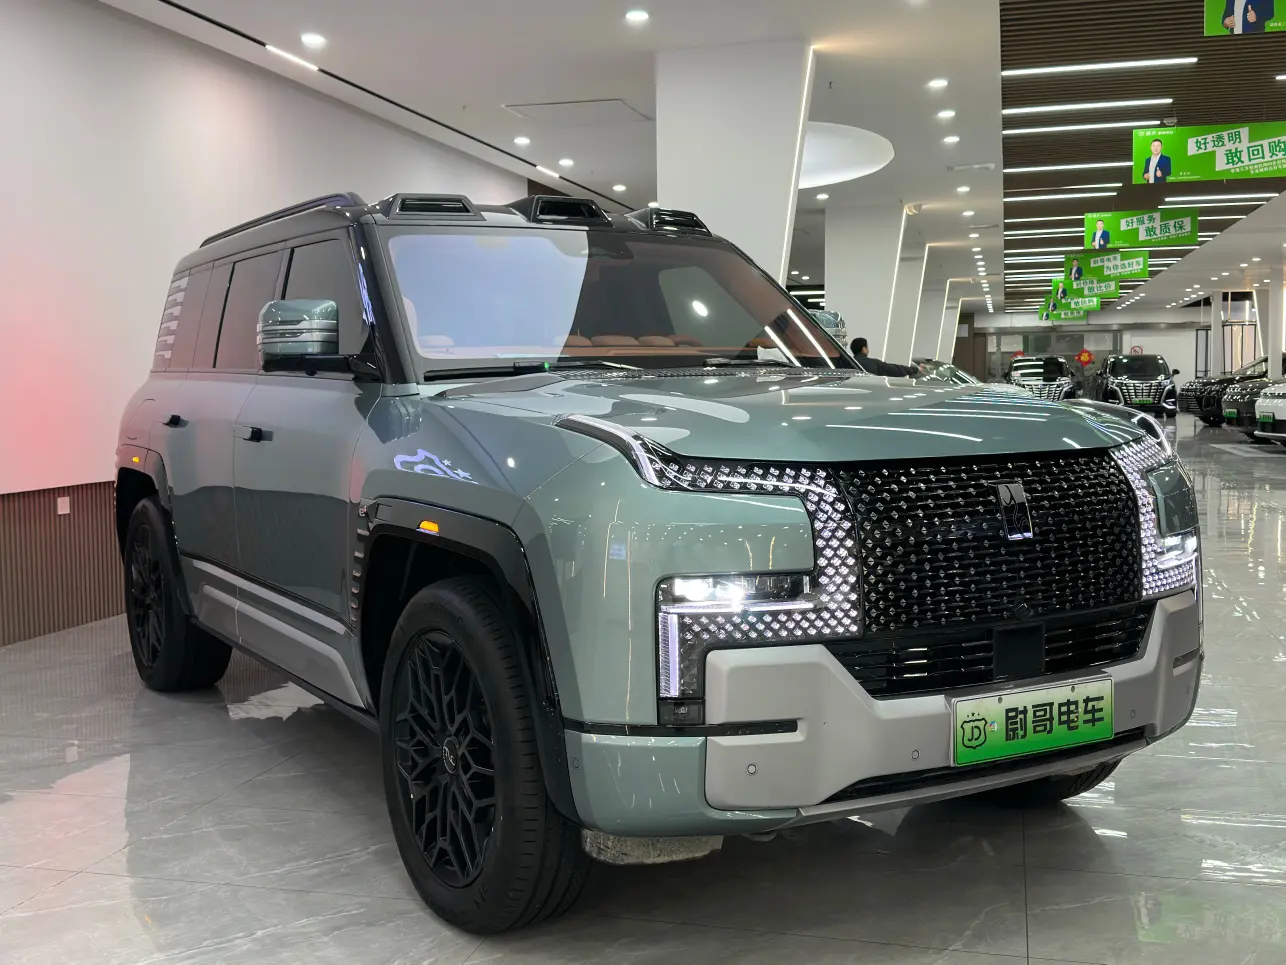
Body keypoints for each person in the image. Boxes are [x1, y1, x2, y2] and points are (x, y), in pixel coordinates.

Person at [850, 337, 922, 377]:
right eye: (867, 347)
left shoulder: (848, 363)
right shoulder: (874, 363)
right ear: (864, 349)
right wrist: (915, 369)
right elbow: (894, 369)